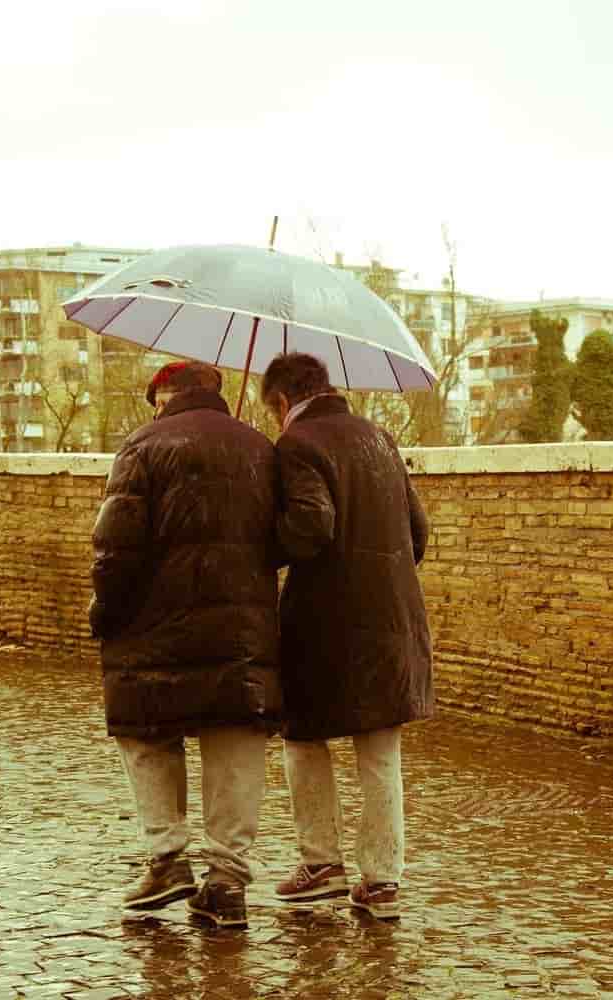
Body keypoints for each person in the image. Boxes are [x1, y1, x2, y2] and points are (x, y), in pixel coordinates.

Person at [89, 360, 281, 930]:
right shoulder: (260, 448)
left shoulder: (142, 446)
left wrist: (107, 614)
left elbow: (116, 547)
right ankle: (226, 880)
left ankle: (167, 856)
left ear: (162, 397)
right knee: (236, 741)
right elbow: (289, 535)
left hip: (155, 628)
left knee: (147, 734)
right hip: (242, 629)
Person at [260, 352, 434, 921]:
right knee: (380, 751)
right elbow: (418, 530)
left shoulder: (298, 445)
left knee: (302, 738)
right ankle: (382, 881)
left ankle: (320, 862)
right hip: (391, 617)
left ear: (283, 401)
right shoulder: (379, 437)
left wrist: (264, 546)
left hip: (325, 622)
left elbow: (312, 526)